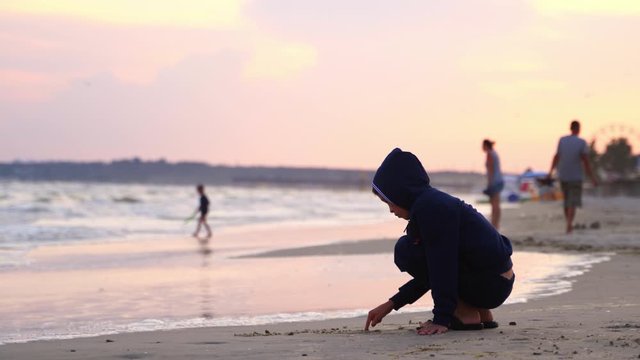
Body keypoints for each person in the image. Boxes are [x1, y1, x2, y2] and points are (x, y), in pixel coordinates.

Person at [365, 148, 515, 335]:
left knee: (406, 250)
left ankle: (465, 313)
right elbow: (437, 265)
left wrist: (442, 318)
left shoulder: (431, 208)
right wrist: (392, 303)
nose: (391, 210)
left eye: (389, 202)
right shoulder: (433, 202)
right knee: (420, 250)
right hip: (496, 280)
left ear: (401, 191)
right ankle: (481, 311)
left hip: (489, 283)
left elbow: (441, 265)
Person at [547, 120, 598, 234]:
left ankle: (568, 223)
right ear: (578, 129)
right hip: (576, 176)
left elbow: (556, 157)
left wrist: (550, 172)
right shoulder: (581, 142)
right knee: (573, 202)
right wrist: (592, 177)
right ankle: (569, 224)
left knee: (566, 201)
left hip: (563, 175)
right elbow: (585, 161)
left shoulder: (562, 140)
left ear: (570, 128)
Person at [482, 139, 504, 229]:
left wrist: (489, 183)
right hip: (499, 180)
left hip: (494, 181)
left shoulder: (489, 154)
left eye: (482, 145)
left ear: (486, 145)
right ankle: (496, 224)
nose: (482, 148)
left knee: (494, 203)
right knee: (497, 203)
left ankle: (494, 224)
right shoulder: (494, 153)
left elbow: (490, 169)